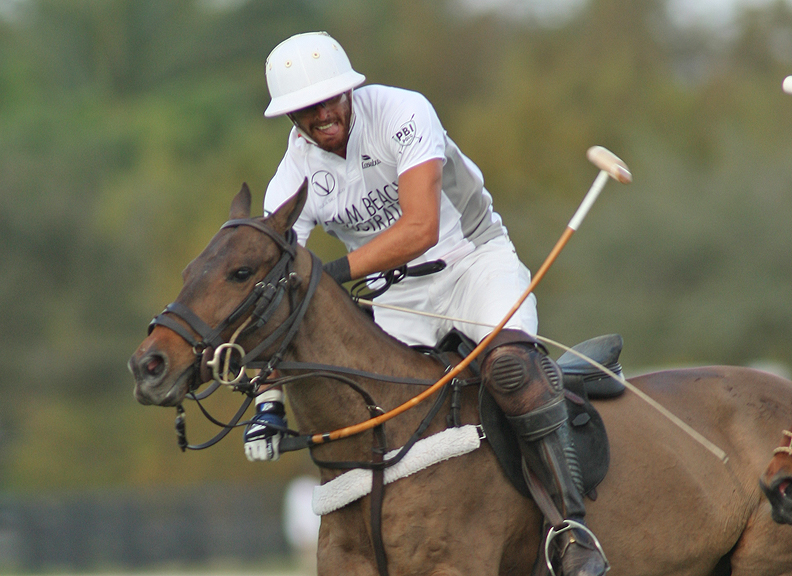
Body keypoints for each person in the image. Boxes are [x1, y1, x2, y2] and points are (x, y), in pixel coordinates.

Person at [243, 31, 607, 576]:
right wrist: (265, 395)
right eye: (302, 110)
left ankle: (570, 529)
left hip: (473, 263)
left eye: (326, 100)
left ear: (349, 91)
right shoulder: (295, 172)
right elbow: (271, 283)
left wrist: (327, 275)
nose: (319, 116)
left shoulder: (402, 112)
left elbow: (420, 226)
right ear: (289, 118)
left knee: (509, 368)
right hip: (397, 300)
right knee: (374, 413)